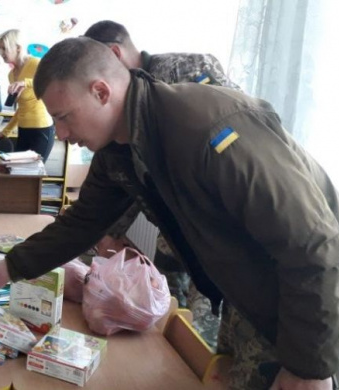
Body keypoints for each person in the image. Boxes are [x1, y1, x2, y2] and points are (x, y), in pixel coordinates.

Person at [0, 37, 339, 390]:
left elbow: (313, 246)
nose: (60, 133)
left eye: (64, 117)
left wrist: (309, 367)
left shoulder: (209, 129)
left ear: (101, 92)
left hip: (311, 303)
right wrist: (11, 267)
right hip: (250, 296)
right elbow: (82, 222)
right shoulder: (120, 145)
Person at [85, 19, 242, 347]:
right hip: (172, 228)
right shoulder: (120, 106)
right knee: (158, 311)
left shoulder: (188, 69)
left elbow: (235, 128)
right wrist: (111, 230)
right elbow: (128, 170)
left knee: (202, 331)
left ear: (115, 54)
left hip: (217, 230)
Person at [0, 29, 56, 161]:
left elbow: (52, 82)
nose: (1, 53)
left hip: (42, 129)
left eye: (4, 48)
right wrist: (6, 131)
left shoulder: (36, 63)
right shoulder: (11, 75)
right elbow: (22, 108)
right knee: (18, 174)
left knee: (33, 175)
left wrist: (26, 83)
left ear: (17, 48)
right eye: (0, 49)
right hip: (23, 130)